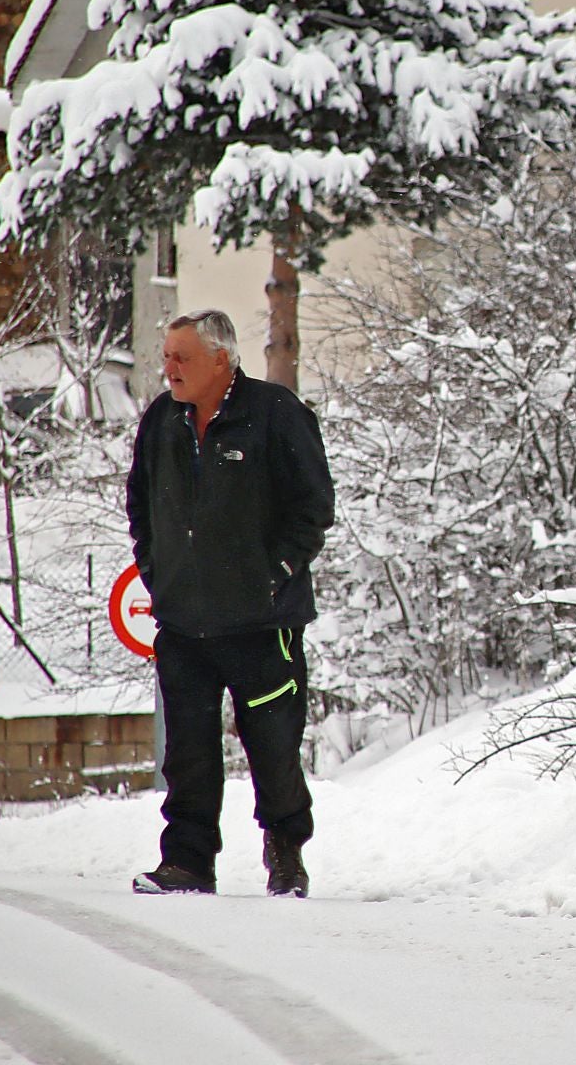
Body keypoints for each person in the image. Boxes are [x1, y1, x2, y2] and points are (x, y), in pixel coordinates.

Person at [125, 310, 335, 897]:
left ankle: (286, 854)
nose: (168, 368)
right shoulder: (161, 422)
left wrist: (275, 576)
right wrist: (156, 572)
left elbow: (313, 508)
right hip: (183, 626)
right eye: (166, 356)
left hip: (261, 626)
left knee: (273, 749)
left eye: (181, 357)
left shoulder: (275, 414)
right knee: (187, 753)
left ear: (222, 359)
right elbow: (139, 506)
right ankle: (188, 862)